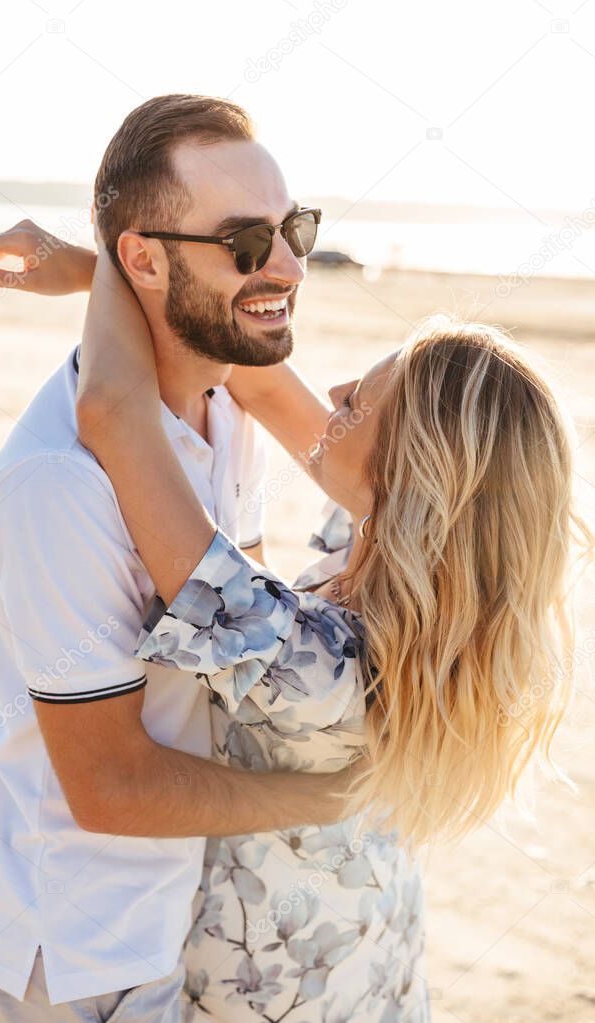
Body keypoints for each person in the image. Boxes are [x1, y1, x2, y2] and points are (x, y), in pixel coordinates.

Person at [69, 221, 592, 1022]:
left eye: (361, 400)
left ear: (412, 474)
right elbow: (260, 381)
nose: (335, 394)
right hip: (378, 954)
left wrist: (122, 245)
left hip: (277, 992)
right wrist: (118, 276)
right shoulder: (398, 574)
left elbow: (111, 410)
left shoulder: (319, 665)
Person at [0, 94, 365, 1023]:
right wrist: (329, 799)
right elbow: (111, 786)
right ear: (146, 258)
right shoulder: (59, 486)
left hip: (169, 907)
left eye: (293, 229)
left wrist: (90, 268)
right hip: (65, 946)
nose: (289, 264)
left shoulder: (225, 398)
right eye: (247, 242)